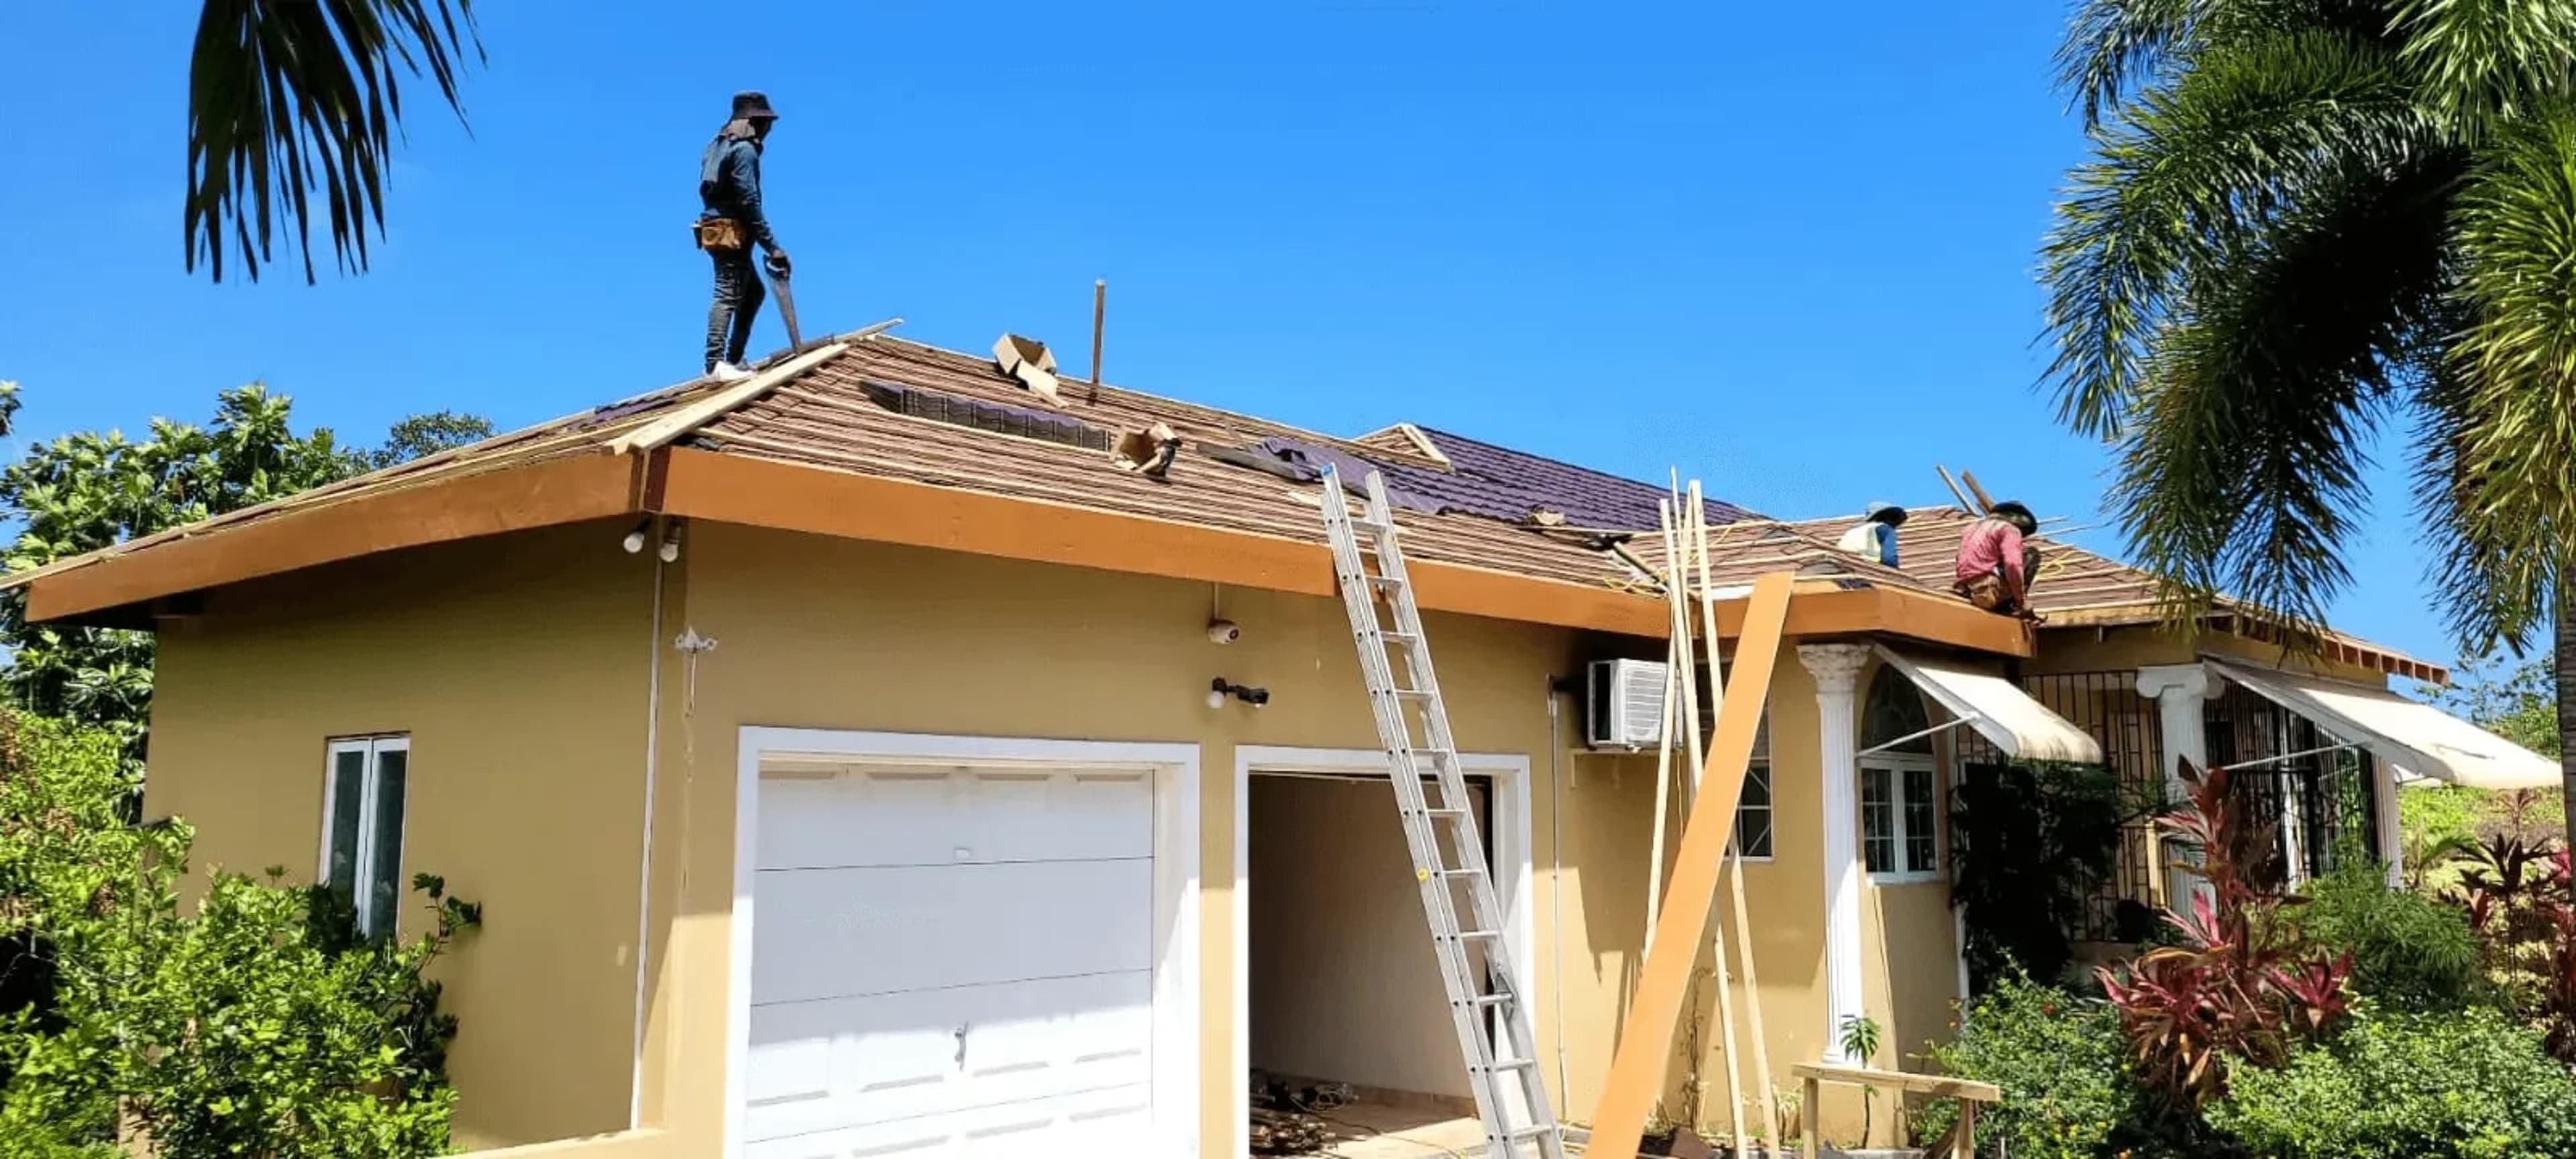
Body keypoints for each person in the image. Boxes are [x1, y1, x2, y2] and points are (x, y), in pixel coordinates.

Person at [696, 91, 790, 380]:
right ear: (754, 122)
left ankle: (734, 360)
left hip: (719, 226)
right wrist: (772, 246)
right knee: (727, 292)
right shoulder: (744, 150)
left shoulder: (719, 144)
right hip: (731, 230)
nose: (768, 128)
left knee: (752, 293)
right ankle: (715, 364)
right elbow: (749, 201)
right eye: (765, 122)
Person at [1953, 500, 2044, 620]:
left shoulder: (1971, 529)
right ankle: (2014, 607)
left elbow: (1960, 559)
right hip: (1987, 591)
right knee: (2031, 555)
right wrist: (2021, 601)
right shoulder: (2009, 529)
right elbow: (2012, 564)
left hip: (1966, 589)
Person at [1835, 501, 1908, 567]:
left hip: (1843, 565)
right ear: (1886, 517)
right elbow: (1889, 559)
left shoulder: (1851, 532)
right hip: (1866, 567)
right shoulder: (1885, 529)